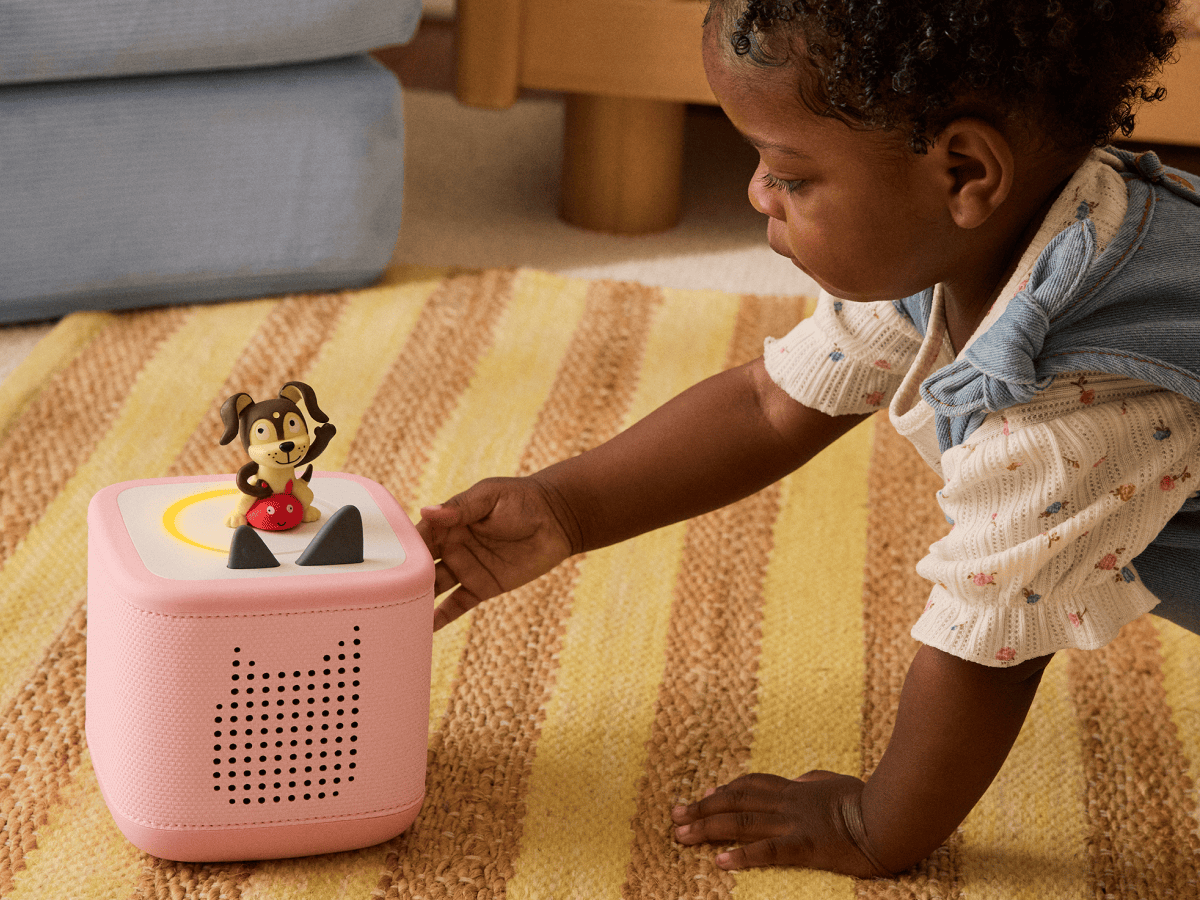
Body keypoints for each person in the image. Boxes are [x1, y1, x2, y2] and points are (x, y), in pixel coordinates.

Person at [417, 0, 1200, 878]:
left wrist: (873, 825)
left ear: (965, 174)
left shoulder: (1072, 406)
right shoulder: (1008, 239)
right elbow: (770, 402)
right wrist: (566, 506)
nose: (757, 191)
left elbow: (992, 641)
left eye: (788, 174)